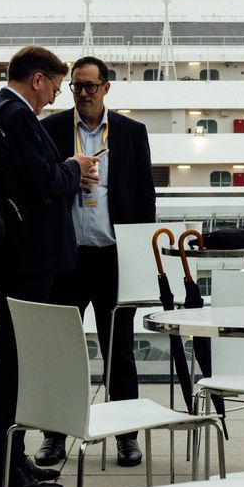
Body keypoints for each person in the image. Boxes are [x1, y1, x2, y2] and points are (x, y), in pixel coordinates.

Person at [0, 46, 83, 487]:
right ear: (37, 79)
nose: (53, 98)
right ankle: (6, 465)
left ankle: (12, 458)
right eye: (54, 88)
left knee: (16, 361)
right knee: (16, 363)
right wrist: (75, 169)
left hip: (11, 259)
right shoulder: (16, 115)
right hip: (25, 261)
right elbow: (43, 181)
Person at [42, 57, 156, 465]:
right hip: (67, 258)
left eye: (90, 86)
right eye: (77, 86)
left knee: (119, 351)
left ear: (106, 88)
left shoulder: (130, 133)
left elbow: (145, 197)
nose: (84, 93)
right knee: (61, 352)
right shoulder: (51, 129)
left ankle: (126, 435)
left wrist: (139, 256)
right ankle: (54, 436)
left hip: (112, 258)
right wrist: (71, 179)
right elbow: (39, 187)